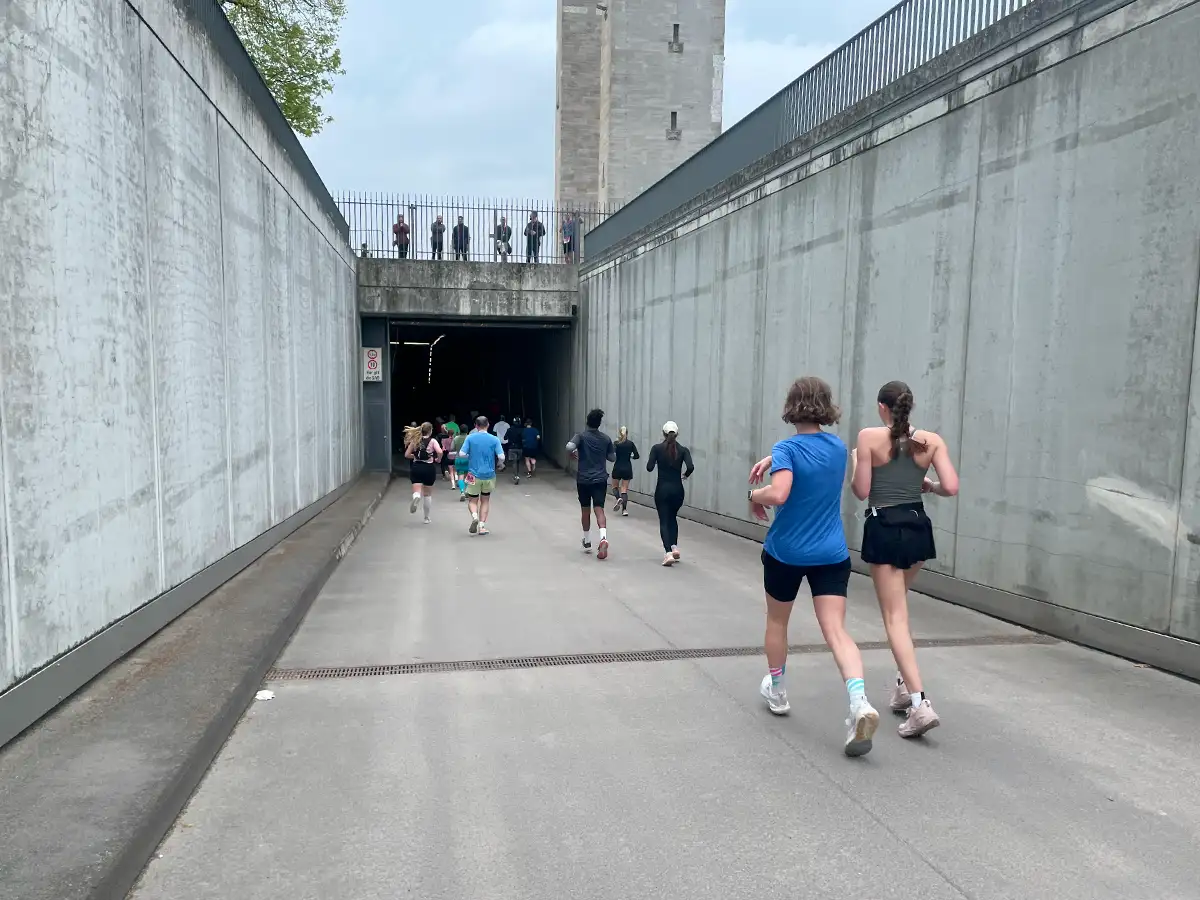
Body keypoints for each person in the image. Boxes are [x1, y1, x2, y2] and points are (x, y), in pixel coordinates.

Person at [747, 376, 878, 758]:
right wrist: (778, 458)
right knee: (836, 630)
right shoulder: (837, 448)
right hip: (831, 553)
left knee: (777, 622)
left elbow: (782, 492)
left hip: (786, 552)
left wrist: (753, 494)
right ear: (826, 406)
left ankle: (778, 690)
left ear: (791, 405)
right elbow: (811, 461)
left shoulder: (786, 447)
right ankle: (859, 703)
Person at [851, 380, 959, 739]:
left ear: (882, 407)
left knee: (894, 618)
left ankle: (919, 704)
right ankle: (902, 686)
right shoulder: (931, 441)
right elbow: (952, 487)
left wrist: (857, 461)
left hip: (884, 528)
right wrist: (929, 486)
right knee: (902, 611)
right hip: (917, 527)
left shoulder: (868, 438)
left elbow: (861, 491)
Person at [567, 409, 615, 559]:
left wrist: (573, 453)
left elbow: (569, 447)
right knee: (599, 509)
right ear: (599, 424)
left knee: (585, 510)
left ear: (587, 422)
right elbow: (612, 458)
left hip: (584, 479)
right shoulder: (606, 439)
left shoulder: (580, 436)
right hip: (600, 479)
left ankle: (587, 540)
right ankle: (603, 537)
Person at [645, 422, 693, 564]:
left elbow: (649, 467)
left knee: (664, 521)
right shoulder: (683, 450)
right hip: (678, 490)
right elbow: (690, 466)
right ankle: (674, 546)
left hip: (663, 490)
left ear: (663, 434)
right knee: (673, 518)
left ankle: (668, 553)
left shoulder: (657, 449)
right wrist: (684, 475)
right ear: (677, 434)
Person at [459, 416, 505, 534]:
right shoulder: (494, 439)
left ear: (476, 425)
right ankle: (482, 526)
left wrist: (471, 457)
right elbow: (501, 457)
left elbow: (462, 453)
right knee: (485, 500)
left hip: (472, 474)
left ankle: (474, 517)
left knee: (472, 500)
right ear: (488, 425)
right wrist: (499, 464)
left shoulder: (470, 437)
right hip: (489, 475)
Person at [404, 422, 443, 524]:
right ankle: (426, 518)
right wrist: (438, 459)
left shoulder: (415, 440)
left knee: (417, 489)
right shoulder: (433, 441)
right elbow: (440, 451)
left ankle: (416, 496)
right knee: (427, 494)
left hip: (416, 467)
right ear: (430, 431)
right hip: (429, 468)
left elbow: (407, 455)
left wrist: (416, 456)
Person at [610, 426, 640, 515]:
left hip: (617, 467)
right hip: (627, 468)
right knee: (624, 489)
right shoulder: (631, 444)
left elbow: (611, 454)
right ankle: (624, 510)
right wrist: (630, 456)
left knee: (615, 487)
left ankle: (618, 498)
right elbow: (637, 456)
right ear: (627, 433)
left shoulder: (616, 443)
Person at [451, 427, 470, 500]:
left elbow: (452, 448)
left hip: (458, 458)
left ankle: (462, 492)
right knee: (469, 476)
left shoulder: (456, 438)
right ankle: (467, 490)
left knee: (460, 476)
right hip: (468, 459)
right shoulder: (469, 438)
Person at [506, 415, 525, 484]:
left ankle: (516, 475)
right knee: (518, 462)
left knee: (514, 462)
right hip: (519, 447)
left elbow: (505, 437)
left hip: (511, 447)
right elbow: (523, 438)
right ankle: (517, 474)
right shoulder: (522, 430)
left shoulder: (509, 429)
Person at [434, 418, 452, 483]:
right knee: (450, 462)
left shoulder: (439, 435)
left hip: (442, 450)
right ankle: (451, 474)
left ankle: (444, 475)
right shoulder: (449, 435)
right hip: (449, 450)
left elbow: (436, 442)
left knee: (442, 463)